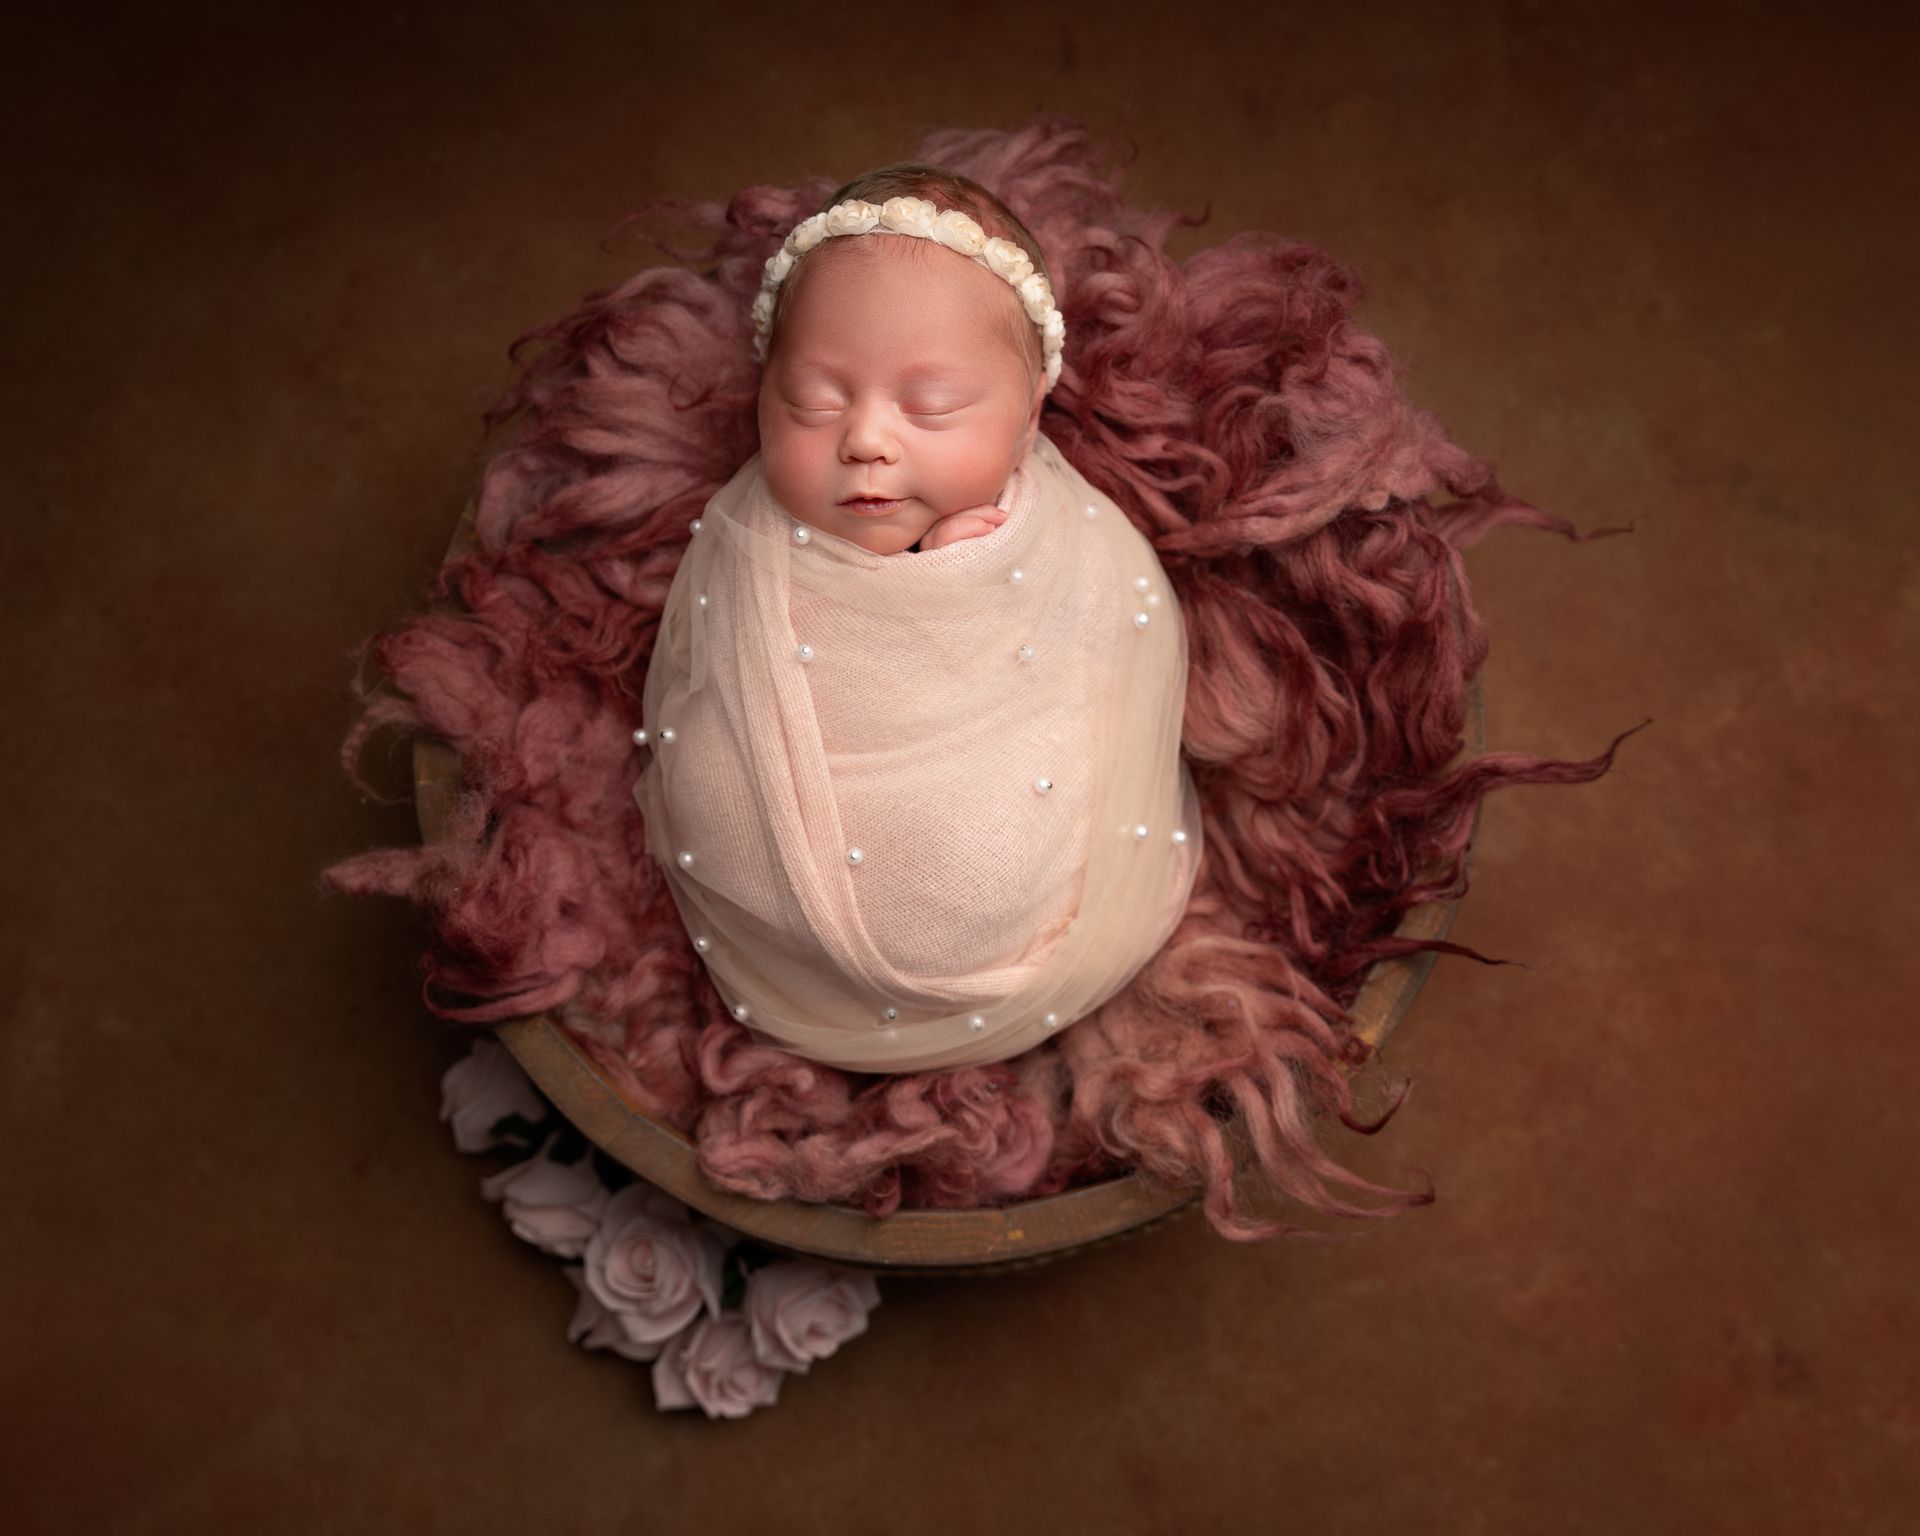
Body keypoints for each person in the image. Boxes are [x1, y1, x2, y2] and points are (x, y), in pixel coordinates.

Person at [629, 165, 1203, 1073]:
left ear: (1025, 425)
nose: (865, 439)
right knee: (709, 768)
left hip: (991, 847)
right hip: (764, 878)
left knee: (1007, 841)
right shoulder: (753, 531)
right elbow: (718, 657)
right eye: (813, 403)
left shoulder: (1060, 535)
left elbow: (1105, 654)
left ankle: (968, 928)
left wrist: (973, 579)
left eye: (930, 406)